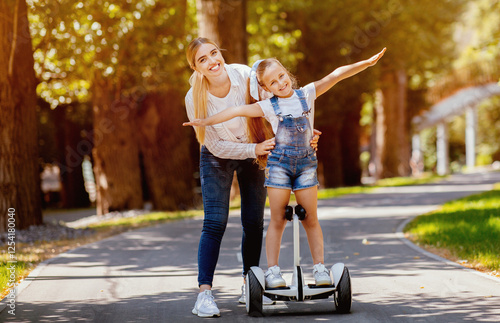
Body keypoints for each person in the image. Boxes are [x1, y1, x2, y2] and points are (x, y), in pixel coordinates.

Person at [184, 48, 386, 290]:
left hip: (305, 167)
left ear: (287, 73)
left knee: (308, 218)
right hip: (276, 167)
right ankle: (272, 271)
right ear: (266, 89)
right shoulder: (267, 106)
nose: (280, 83)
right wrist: (204, 121)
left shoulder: (306, 94)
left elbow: (335, 76)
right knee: (275, 219)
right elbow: (235, 111)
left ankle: (319, 267)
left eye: (281, 76)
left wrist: (366, 63)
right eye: (272, 82)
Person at [184, 37, 321, 318]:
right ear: (196, 68)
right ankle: (204, 294)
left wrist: (304, 133)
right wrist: (253, 148)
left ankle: (250, 283)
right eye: (202, 60)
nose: (212, 62)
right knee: (214, 222)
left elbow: (280, 103)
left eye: (213, 53)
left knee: (253, 222)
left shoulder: (246, 76)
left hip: (255, 152)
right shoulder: (194, 99)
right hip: (216, 156)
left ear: (220, 53)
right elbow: (217, 145)